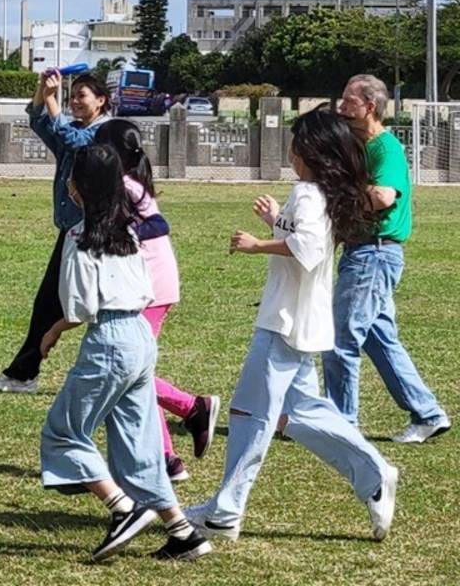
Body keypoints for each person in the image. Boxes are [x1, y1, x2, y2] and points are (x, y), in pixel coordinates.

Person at [186, 109, 398, 543]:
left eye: (296, 142)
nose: (291, 150)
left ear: (311, 151)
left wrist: (255, 245)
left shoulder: (307, 191)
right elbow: (305, 234)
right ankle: (374, 472)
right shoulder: (317, 193)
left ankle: (225, 513)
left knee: (251, 414)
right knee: (302, 413)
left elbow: (308, 248)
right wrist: (273, 221)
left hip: (285, 323)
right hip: (298, 321)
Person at [37, 144, 212, 562]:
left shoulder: (79, 238)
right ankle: (183, 531)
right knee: (139, 443)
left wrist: (53, 331)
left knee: (63, 432)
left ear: (74, 186)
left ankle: (123, 509)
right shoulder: (131, 232)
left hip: (110, 341)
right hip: (140, 336)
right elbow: (145, 289)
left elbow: (79, 308)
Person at [323, 74, 450, 442]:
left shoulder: (385, 148)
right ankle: (428, 413)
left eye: (349, 101)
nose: (341, 107)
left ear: (370, 106)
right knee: (379, 339)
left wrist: (344, 201)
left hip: (374, 255)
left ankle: (342, 424)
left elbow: (383, 197)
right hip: (365, 252)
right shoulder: (360, 147)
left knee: (340, 337)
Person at [94, 119, 220, 483]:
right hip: (148, 285)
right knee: (134, 371)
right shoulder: (127, 183)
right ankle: (168, 457)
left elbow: (159, 225)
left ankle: (192, 409)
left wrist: (123, 231)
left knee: (131, 371)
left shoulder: (125, 185)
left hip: (149, 287)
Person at [0, 72, 112, 394]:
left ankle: (25, 373)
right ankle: (23, 373)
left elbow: (72, 141)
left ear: (101, 101)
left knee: (90, 304)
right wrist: (41, 93)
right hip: (73, 230)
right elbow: (40, 124)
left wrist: (52, 100)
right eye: (71, 96)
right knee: (50, 303)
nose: (73, 102)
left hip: (94, 232)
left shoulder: (105, 132)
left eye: (80, 96)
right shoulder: (76, 128)